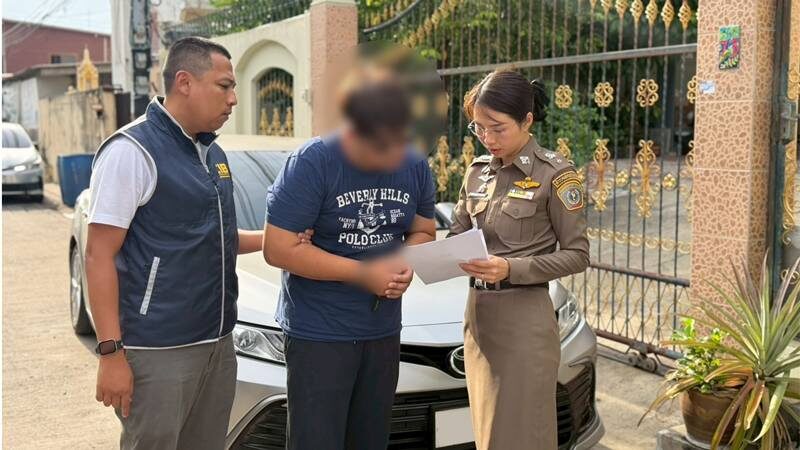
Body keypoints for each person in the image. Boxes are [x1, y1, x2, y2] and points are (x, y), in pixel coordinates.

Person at [84, 36, 263, 450]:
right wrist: (111, 354)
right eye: (224, 86)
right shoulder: (133, 151)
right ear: (184, 82)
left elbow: (213, 238)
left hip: (217, 343)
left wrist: (272, 240)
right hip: (158, 349)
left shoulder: (212, 153)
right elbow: (98, 255)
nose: (233, 99)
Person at [262, 71, 437, 450]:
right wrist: (363, 273)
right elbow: (277, 248)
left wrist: (403, 262)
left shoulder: (413, 164)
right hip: (319, 333)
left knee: (371, 440)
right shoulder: (314, 162)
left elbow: (423, 230)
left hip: (382, 329)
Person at [449, 70, 590, 450]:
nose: (488, 138)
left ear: (527, 120)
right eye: (479, 128)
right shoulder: (477, 173)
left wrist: (512, 268)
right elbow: (458, 233)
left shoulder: (556, 175)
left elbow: (577, 255)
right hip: (479, 319)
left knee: (524, 434)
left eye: (498, 128)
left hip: (525, 320)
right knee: (489, 434)